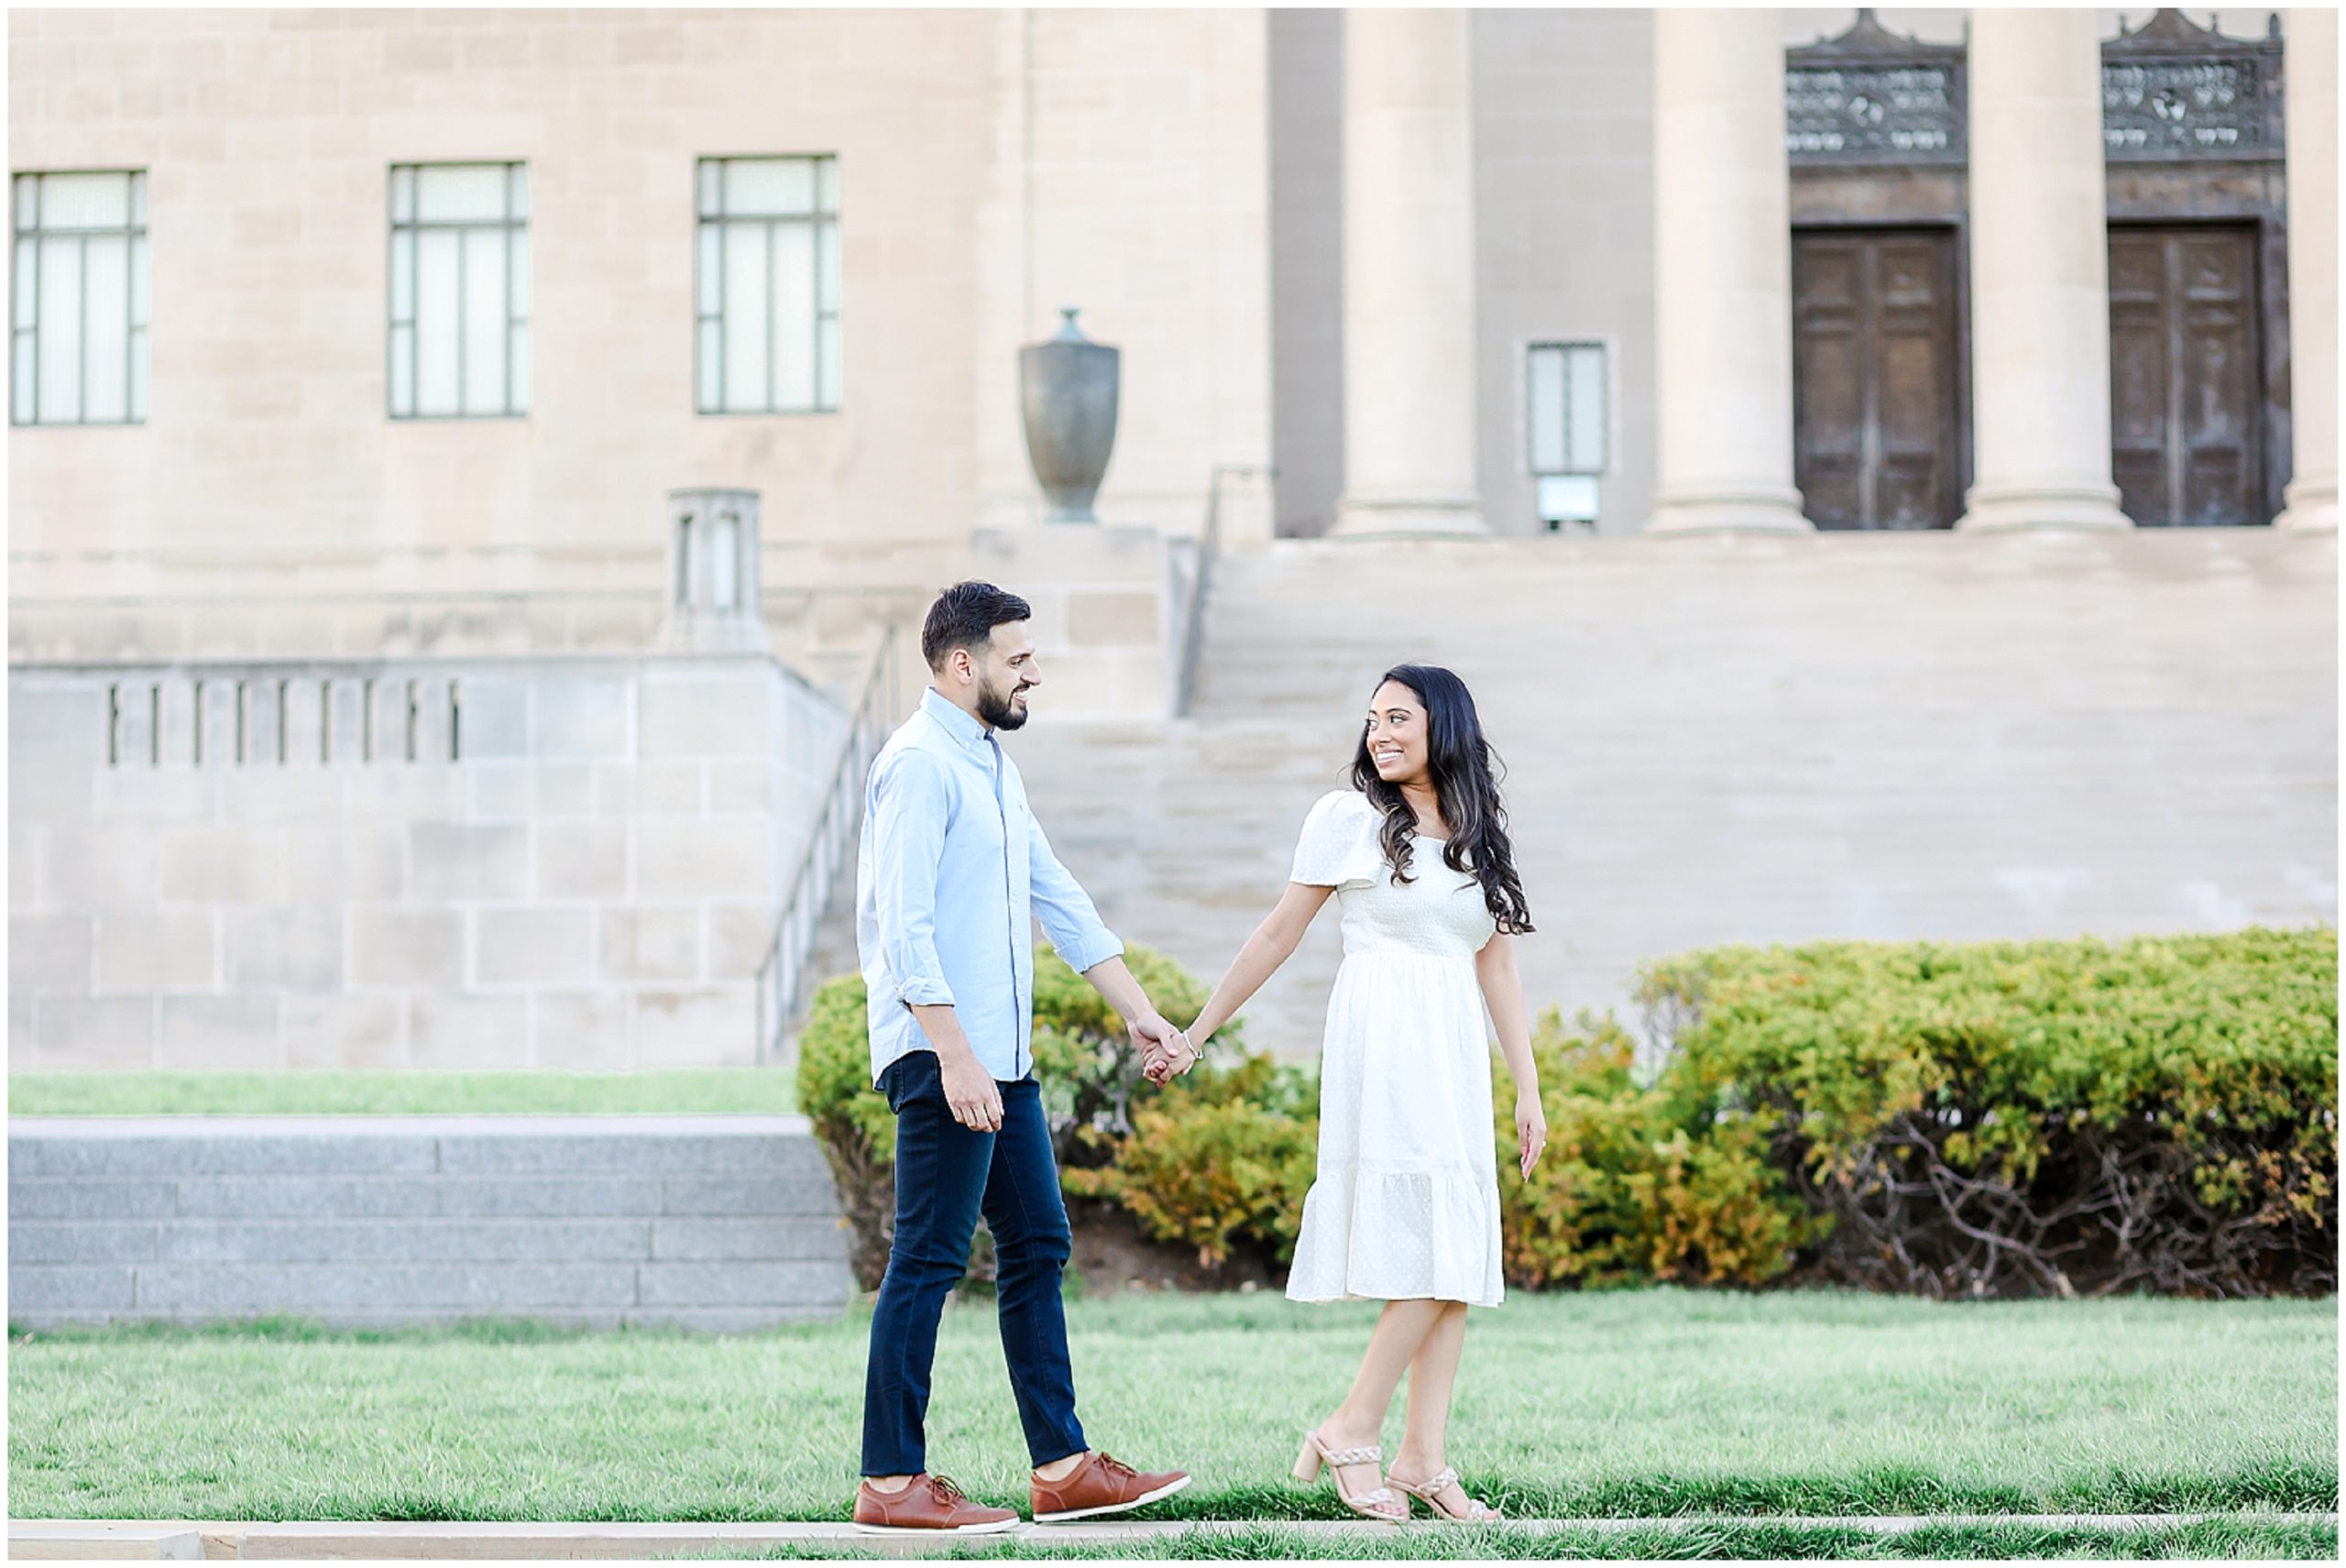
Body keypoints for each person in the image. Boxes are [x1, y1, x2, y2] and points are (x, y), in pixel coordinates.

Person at [1146, 663, 1546, 1525]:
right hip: (1388, 1042)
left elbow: (1497, 961)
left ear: (1444, 724)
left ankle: (1422, 1458)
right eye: (1373, 719)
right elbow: (1277, 931)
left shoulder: (1479, 834)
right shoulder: (1349, 820)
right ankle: (1351, 1425)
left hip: (1454, 1049)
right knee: (1432, 1248)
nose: (1381, 732)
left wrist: (1528, 1085)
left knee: (1460, 1253)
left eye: (1399, 716)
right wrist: (1196, 1031)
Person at [852, 581, 1194, 1538]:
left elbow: (1060, 896)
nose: (1031, 669)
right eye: (1017, 657)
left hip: (999, 1057)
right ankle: (888, 1481)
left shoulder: (990, 765)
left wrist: (1139, 1015)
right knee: (925, 1256)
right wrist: (952, 1056)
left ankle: (1063, 1466)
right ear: (962, 664)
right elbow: (904, 930)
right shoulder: (919, 765)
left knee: (1039, 1242)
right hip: (942, 1054)